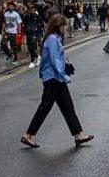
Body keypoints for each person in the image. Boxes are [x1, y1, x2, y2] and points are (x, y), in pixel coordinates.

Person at [19, 15, 95, 149]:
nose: (64, 28)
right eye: (63, 25)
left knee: (67, 107)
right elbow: (54, 60)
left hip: (55, 78)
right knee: (46, 107)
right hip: (53, 78)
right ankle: (29, 135)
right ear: (58, 26)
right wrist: (64, 75)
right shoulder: (53, 39)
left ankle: (78, 134)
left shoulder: (53, 38)